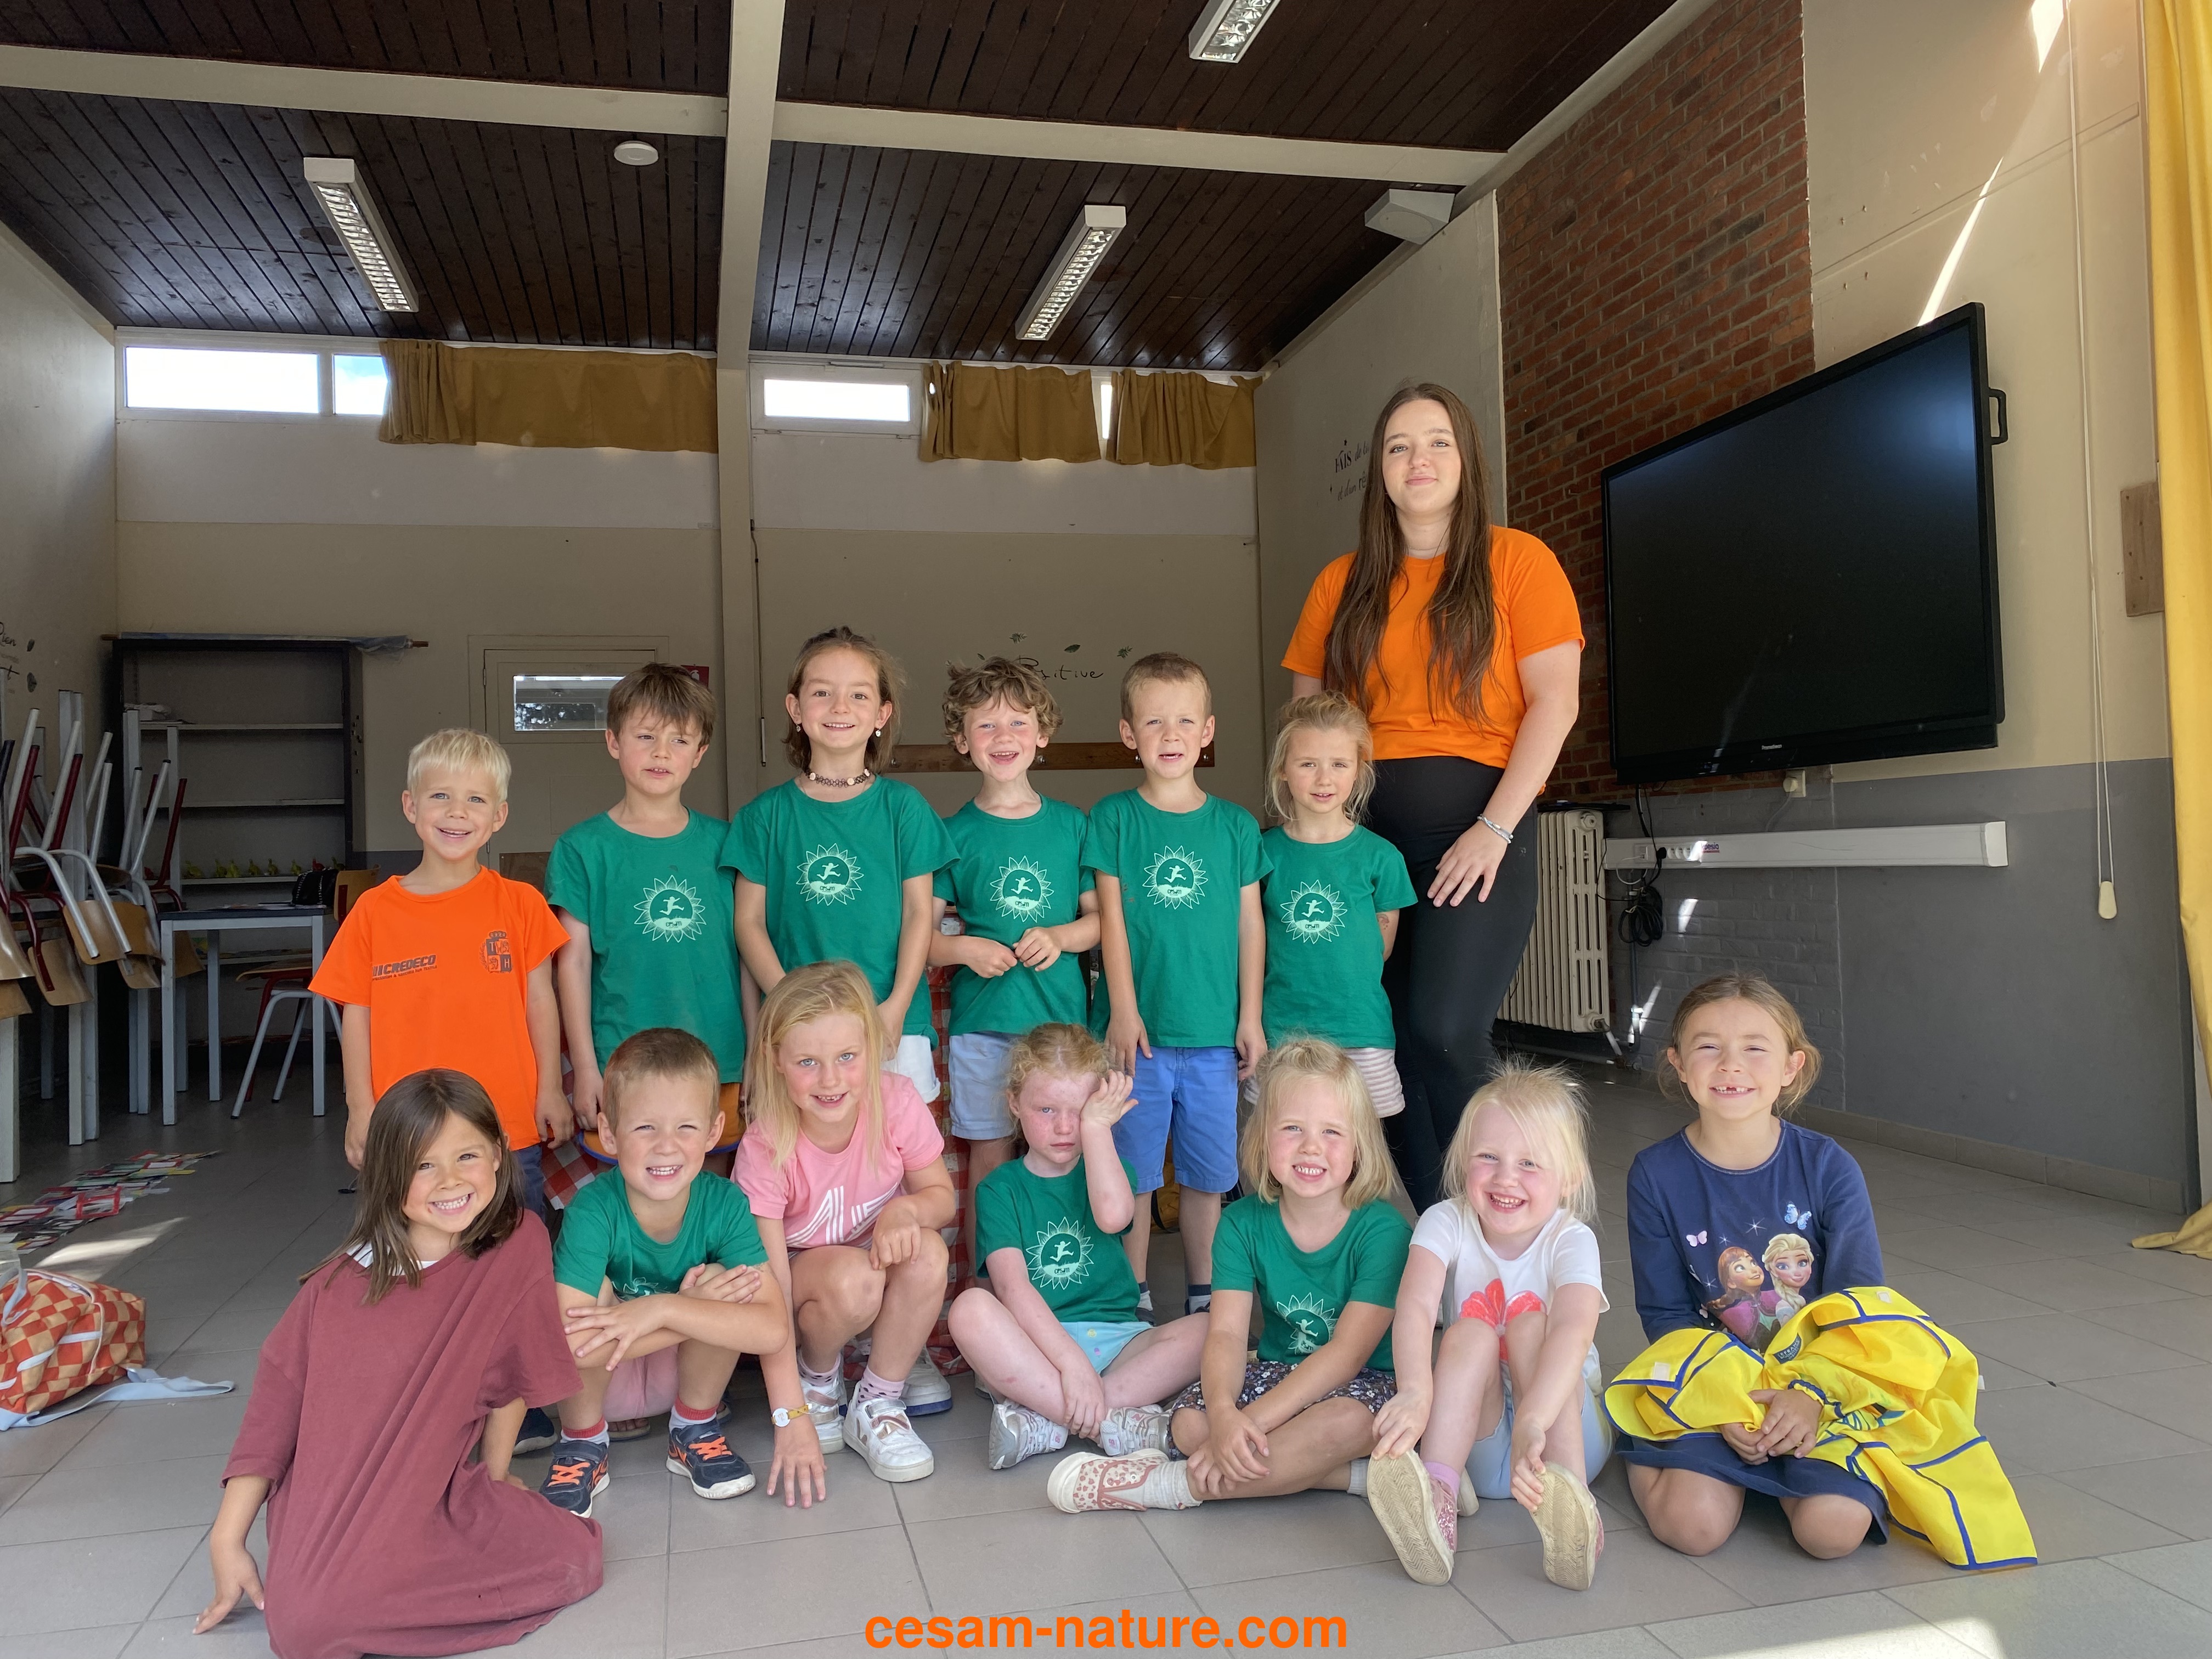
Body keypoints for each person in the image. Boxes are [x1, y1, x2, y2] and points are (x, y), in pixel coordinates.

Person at [1284, 382, 1583, 1210]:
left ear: (1466, 460)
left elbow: (1555, 703)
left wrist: (1495, 828)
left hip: (1479, 829)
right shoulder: (1340, 583)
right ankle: (1439, 1232)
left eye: (1437, 442)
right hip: (1361, 844)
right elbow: (1309, 726)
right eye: (1399, 446)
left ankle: (1508, 1213)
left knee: (1445, 1030)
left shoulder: (1519, 561)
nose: (1419, 460)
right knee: (1379, 1042)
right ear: (1380, 470)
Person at [195, 1070, 600, 1658]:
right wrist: (227, 1539)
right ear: (387, 1175)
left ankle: (384, 1592)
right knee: (307, 1628)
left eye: (467, 1156)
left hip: (436, 1496)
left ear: (498, 1153)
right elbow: (272, 1416)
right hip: (334, 1506)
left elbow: (512, 1379)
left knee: (577, 1556)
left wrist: (493, 1479)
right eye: (423, 1165)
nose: (451, 1180)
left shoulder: (517, 1241)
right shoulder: (334, 1288)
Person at [722, 627, 957, 1411]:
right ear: (795, 708)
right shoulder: (766, 817)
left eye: (859, 694)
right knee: (806, 1177)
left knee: (899, 1180)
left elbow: (922, 915)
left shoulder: (904, 808)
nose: (840, 706)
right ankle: (819, 1337)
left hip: (892, 1025)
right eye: (821, 692)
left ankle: (901, 1352)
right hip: (800, 1040)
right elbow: (750, 924)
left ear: (883, 713)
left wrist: (889, 1007)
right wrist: (793, 1018)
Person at [1048, 1039, 1410, 1513]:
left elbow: (1347, 1356)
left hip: (1364, 1381)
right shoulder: (1240, 1223)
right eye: (1292, 1128)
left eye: (1332, 1132)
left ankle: (1167, 1486)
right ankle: (1354, 1477)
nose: (1311, 1147)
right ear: (1262, 1136)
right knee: (1189, 1425)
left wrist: (1250, 1422)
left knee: (1346, 1425)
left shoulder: (1385, 1233)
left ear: (1360, 1144)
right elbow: (1225, 1334)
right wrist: (1222, 1416)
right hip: (1279, 1370)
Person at [1622, 974, 1886, 1560]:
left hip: (1817, 1380)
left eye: (1755, 1048)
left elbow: (1861, 1308)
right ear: (1678, 1063)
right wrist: (1722, 1401)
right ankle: (1639, 1448)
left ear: (1792, 1066)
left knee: (1832, 1532)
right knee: (1694, 1529)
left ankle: (1780, 1473)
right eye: (1708, 1046)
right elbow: (1666, 1313)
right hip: (1711, 1376)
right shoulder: (1656, 1174)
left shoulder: (1830, 1168)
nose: (1731, 1065)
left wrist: (1811, 1396)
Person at [1368, 1060, 1611, 1590]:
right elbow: (1415, 1305)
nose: (1505, 1178)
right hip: (1474, 1436)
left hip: (1559, 1437)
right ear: (1462, 1162)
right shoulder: (1444, 1221)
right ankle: (1438, 1495)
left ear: (1569, 1178)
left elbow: (1574, 1331)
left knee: (1530, 1326)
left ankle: (1575, 1510)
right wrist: (1415, 1391)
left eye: (1530, 1163)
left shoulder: (1572, 1239)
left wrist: (1534, 1421)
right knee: (1470, 1331)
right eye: (1488, 1158)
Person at [311, 729, 570, 1215]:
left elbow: (541, 1002)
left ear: (499, 816)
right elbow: (357, 1017)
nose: (457, 812)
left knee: (518, 1248)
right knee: (419, 1254)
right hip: (410, 1132)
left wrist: (552, 1089)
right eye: (440, 797)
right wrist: (360, 1109)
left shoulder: (522, 904)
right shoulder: (373, 912)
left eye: (476, 799)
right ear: (410, 806)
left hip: (507, 1128)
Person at [1084, 651, 1268, 1318]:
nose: (1170, 735)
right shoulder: (1113, 818)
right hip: (1140, 1036)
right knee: (1133, 1173)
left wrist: (1250, 1017)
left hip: (1215, 1034)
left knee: (1208, 1175)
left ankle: (1203, 1299)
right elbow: (1110, 922)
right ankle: (1129, 1297)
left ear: (1208, 731)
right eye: (1153, 721)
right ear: (1128, 733)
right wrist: (1123, 1009)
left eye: (1185, 721)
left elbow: (1251, 925)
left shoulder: (1236, 826)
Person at [539, 1028, 789, 1517]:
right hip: (604, 1389)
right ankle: (582, 1444)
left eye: (686, 1128)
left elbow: (773, 1329)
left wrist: (664, 1310)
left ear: (714, 1132)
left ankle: (693, 1428)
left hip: (677, 1379)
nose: (666, 1147)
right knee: (605, 1294)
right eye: (645, 1128)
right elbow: (568, 1348)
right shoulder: (591, 1210)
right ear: (610, 1133)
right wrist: (689, 1310)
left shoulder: (725, 1203)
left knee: (723, 1280)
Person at [735, 961, 958, 1493]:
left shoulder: (896, 1100)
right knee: (853, 1278)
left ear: (873, 1049)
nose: (831, 1080)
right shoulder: (766, 1144)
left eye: (847, 1057)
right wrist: (791, 1411)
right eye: (808, 1062)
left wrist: (908, 1211)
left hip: (874, 1266)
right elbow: (771, 1287)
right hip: (804, 1288)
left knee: (929, 1252)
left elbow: (941, 1199)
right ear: (776, 1060)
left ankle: (877, 1402)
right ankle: (817, 1379)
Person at [946, 1023, 1207, 1470]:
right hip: (1037, 1349)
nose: (1065, 1127)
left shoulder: (1109, 1168)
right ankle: (1114, 1422)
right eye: (1046, 1109)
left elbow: (1113, 1217)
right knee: (969, 1310)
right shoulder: (999, 1189)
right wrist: (1071, 1364)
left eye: (1080, 1111)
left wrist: (1098, 1131)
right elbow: (1012, 1290)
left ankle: (1048, 1419)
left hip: (1120, 1341)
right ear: (1015, 1103)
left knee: (1210, 1329)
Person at [930, 657, 1099, 1280]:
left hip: (1060, 1034)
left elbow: (1100, 923)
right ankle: (989, 1288)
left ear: (1042, 734)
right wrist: (966, 950)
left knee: (1069, 1155)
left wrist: (1060, 937)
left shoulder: (1073, 826)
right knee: (991, 1164)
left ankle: (1070, 1282)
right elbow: (923, 940)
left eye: (1018, 723)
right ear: (961, 740)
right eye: (986, 725)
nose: (1003, 737)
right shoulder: (951, 834)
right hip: (983, 1027)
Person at [549, 662, 748, 1146]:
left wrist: (757, 1054)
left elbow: (747, 955)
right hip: (623, 1062)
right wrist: (585, 1067)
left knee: (712, 1176)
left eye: (679, 740)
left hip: (720, 1058)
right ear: (613, 741)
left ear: (700, 753)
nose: (661, 752)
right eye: (645, 736)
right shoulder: (582, 849)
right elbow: (573, 963)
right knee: (634, 1178)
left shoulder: (728, 844)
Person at [1257, 692, 1416, 1117]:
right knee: (1279, 1133)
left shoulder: (1382, 857)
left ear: (1359, 770)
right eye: (1308, 764)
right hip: (1280, 1032)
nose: (1324, 778)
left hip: (1361, 1029)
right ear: (1282, 769)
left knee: (1360, 1140)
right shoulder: (1261, 854)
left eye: (1340, 765)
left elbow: (1381, 948)